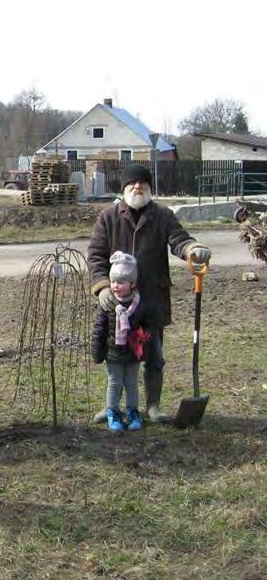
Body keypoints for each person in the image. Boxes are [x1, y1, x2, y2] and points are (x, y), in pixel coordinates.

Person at [88, 163, 211, 422]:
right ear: (124, 188)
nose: (138, 187)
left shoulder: (162, 215)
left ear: (149, 188)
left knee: (154, 357)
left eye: (143, 183)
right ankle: (112, 407)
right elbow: (96, 256)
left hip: (152, 300)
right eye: (132, 183)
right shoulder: (108, 217)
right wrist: (100, 287)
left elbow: (179, 239)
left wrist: (192, 249)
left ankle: (153, 406)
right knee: (116, 357)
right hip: (118, 303)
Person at [92, 252, 152, 432]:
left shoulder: (139, 304)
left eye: (120, 282)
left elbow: (148, 326)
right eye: (113, 282)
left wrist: (144, 340)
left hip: (133, 353)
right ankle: (113, 412)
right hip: (113, 353)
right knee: (114, 383)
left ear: (132, 284)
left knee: (132, 383)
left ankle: (133, 412)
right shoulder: (107, 305)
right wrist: (97, 352)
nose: (115, 286)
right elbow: (99, 329)